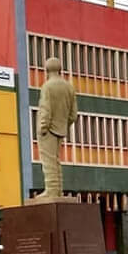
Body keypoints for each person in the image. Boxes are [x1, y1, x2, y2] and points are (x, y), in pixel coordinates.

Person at [36, 56, 78, 198]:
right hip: (60, 128)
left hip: (48, 129)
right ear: (60, 69)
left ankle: (52, 190)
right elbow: (73, 114)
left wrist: (43, 127)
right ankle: (58, 190)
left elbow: (45, 109)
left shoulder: (47, 86)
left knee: (48, 160)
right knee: (56, 160)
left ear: (46, 70)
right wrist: (64, 125)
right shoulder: (69, 87)